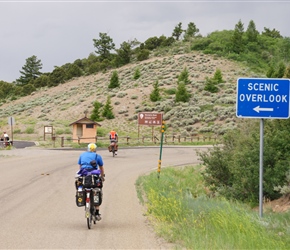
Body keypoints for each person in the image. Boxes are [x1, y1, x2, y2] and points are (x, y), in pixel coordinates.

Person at [77, 143, 105, 221]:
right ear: (95, 149)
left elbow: (80, 167)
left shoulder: (82, 155)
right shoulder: (97, 156)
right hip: (93, 178)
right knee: (97, 190)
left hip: (84, 177)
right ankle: (97, 212)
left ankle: (85, 199)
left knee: (81, 188)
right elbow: (101, 168)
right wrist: (102, 176)